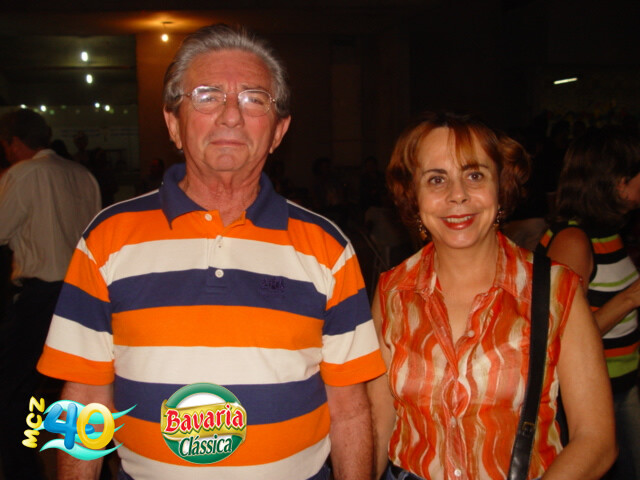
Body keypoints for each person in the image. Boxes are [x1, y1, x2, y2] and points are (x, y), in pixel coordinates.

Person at [37, 24, 385, 480]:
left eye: (254, 99)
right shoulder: (107, 239)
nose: (231, 116)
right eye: (207, 95)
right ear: (173, 124)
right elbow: (84, 399)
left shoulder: (327, 248)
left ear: (278, 131)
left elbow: (350, 408)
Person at [367, 112, 616, 480]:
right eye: (436, 179)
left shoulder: (556, 290)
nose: (457, 195)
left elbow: (596, 439)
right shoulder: (392, 290)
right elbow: (378, 421)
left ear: (502, 187)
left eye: (474, 175)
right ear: (413, 196)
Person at [0, 108, 101, 479]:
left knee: (16, 389)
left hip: (41, 297)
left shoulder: (24, 174)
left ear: (14, 143)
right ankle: (92, 467)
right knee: (79, 389)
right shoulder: (82, 174)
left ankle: (24, 469)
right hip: (83, 295)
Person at [537, 127, 640, 480]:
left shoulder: (607, 233)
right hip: (592, 394)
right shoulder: (574, 241)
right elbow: (559, 341)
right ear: (618, 183)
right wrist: (630, 298)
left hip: (620, 382)